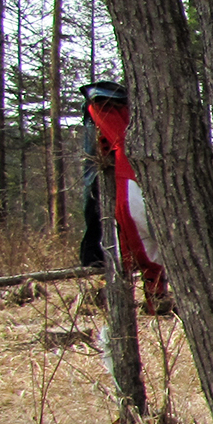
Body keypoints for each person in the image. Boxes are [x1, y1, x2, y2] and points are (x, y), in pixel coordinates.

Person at [78, 80, 171, 314]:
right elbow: (118, 142)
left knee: (142, 237)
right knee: (128, 235)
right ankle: (149, 297)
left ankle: (155, 297)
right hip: (126, 176)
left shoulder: (114, 112)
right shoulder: (101, 108)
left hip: (131, 175)